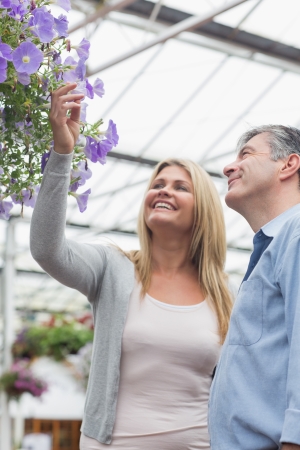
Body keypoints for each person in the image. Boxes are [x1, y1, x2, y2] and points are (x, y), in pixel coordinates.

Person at [30, 83, 232, 450]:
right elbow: (47, 250)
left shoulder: (226, 293)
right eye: (158, 184)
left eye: (180, 187)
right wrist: (63, 153)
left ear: (203, 209)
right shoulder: (113, 268)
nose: (163, 190)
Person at [208, 125, 300, 450]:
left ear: (288, 164)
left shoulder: (296, 233)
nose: (228, 167)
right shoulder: (270, 247)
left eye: (246, 154)